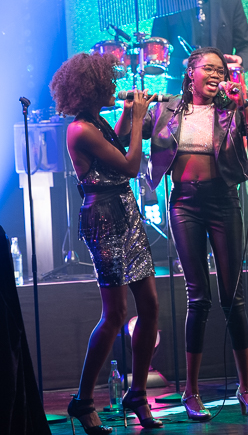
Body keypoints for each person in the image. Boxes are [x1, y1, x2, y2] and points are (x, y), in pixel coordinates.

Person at [118, 46, 248, 420]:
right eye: (210, 68)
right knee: (198, 297)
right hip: (184, 203)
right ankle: (191, 391)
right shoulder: (167, 109)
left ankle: (246, 388)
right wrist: (130, 110)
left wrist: (244, 104)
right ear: (191, 72)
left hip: (224, 201)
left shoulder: (231, 109)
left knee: (232, 296)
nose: (217, 75)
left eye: (221, 70)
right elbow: (124, 137)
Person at [49, 53, 162, 433]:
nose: (115, 87)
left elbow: (116, 145)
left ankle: (138, 393)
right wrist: (139, 118)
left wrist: (129, 117)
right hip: (105, 218)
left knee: (150, 306)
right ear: (91, 88)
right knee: (115, 314)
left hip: (126, 211)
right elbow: (129, 165)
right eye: (109, 83)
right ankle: (82, 401)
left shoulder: (96, 122)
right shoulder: (79, 130)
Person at [152, 0, 248, 265]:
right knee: (178, 162)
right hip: (182, 96)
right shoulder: (166, 4)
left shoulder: (230, 2)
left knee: (233, 161)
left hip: (223, 95)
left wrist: (237, 62)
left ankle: (241, 244)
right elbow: (157, 52)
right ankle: (183, 247)